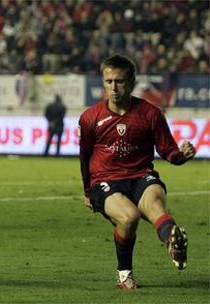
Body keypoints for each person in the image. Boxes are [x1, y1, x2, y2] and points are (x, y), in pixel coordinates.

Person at [78, 54, 196, 289]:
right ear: (103, 82)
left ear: (131, 82)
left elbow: (168, 151)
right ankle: (124, 274)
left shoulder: (150, 114)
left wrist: (182, 155)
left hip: (141, 176)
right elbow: (85, 156)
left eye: (119, 81)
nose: (113, 87)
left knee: (155, 205)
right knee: (129, 218)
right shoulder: (90, 118)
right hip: (106, 180)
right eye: (108, 81)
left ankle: (173, 242)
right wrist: (87, 190)